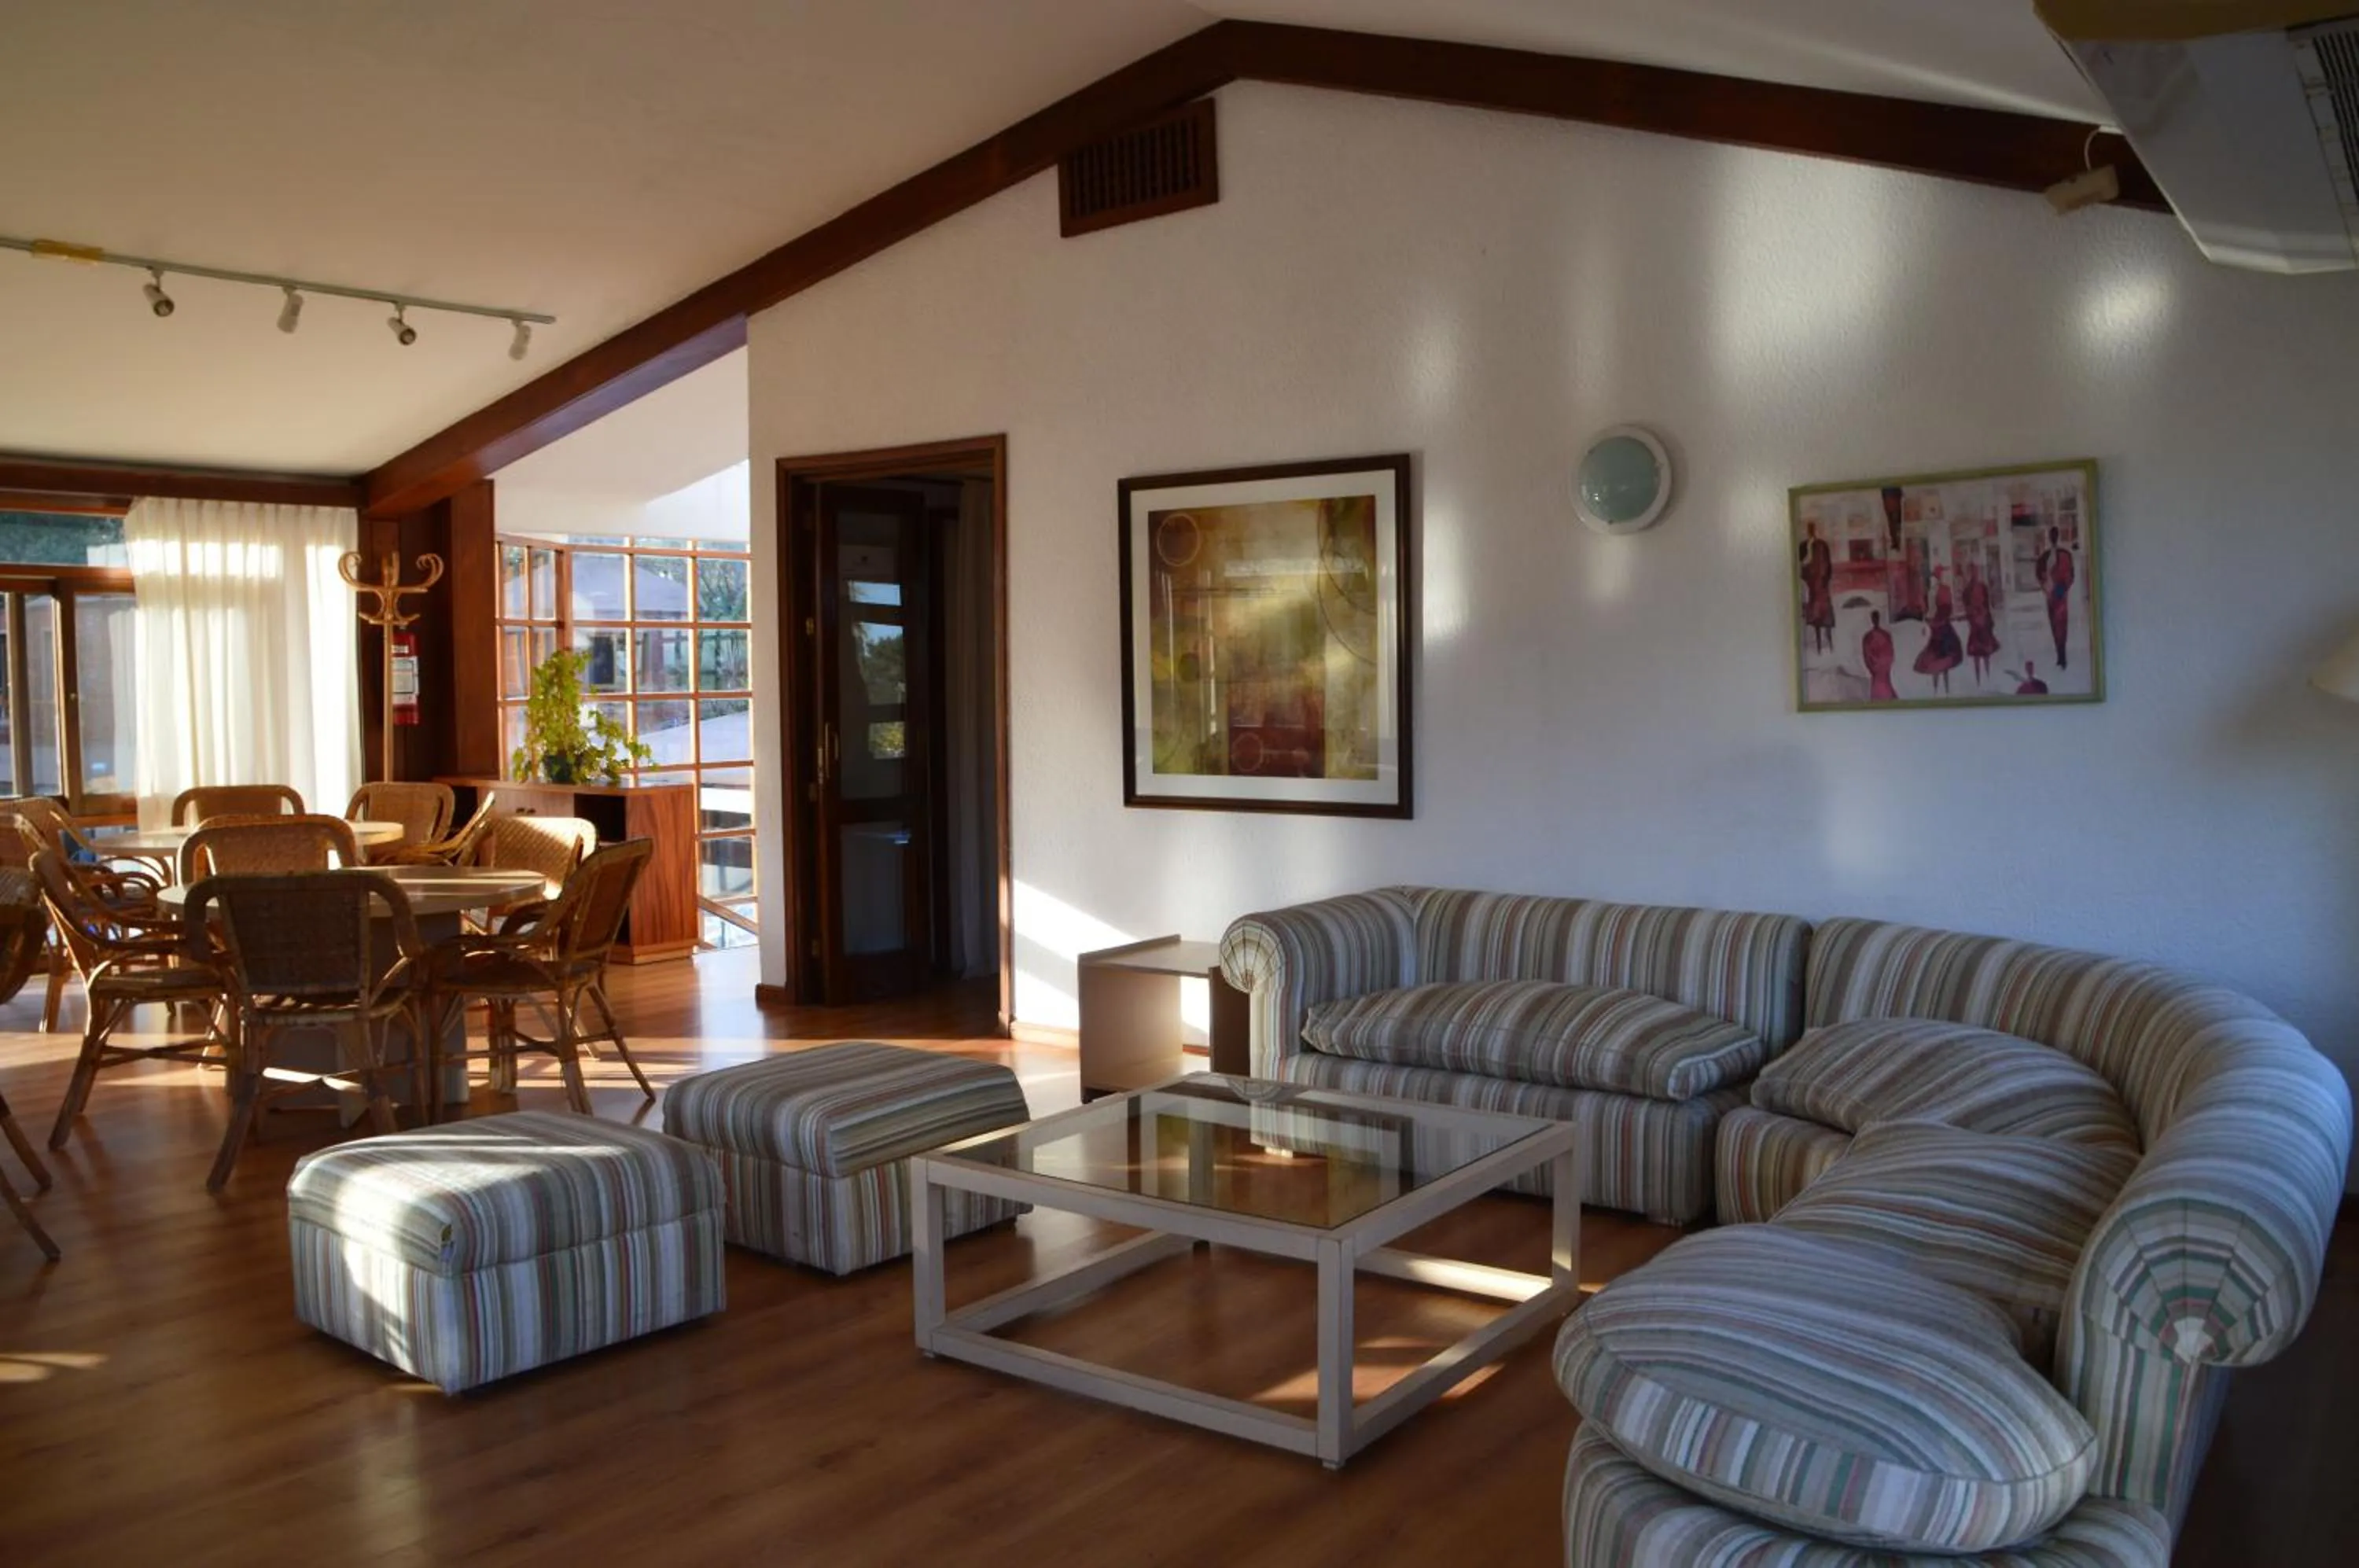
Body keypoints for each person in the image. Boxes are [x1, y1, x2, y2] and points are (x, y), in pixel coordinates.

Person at [1912, 565, 1963, 694]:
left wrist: (1929, 622)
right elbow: (1947, 609)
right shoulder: (1944, 590)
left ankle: (1937, 691)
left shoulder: (1933, 591)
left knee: (1937, 655)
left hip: (1937, 626)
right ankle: (1945, 690)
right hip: (1943, 626)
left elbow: (1930, 612)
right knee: (1945, 655)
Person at [2036, 525, 2076, 669]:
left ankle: (2063, 655)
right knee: (2054, 625)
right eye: (2051, 536)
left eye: (2054, 535)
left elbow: (2071, 575)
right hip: (2050, 596)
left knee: (2062, 625)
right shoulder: (2045, 556)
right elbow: (2039, 572)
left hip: (2060, 596)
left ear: (2057, 536)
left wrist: (2062, 589)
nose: (2053, 538)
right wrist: (2045, 587)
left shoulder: (2065, 554)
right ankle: (2059, 655)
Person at [1798, 522, 1835, 652]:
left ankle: (1830, 643)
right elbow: (1800, 566)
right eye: (1810, 529)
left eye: (1814, 529)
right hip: (1813, 586)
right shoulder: (1803, 546)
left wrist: (1825, 580)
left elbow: (1829, 566)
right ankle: (1819, 646)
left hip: (1822, 586)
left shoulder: (1823, 545)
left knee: (1826, 615)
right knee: (1816, 618)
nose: (1813, 531)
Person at [1962, 561, 1999, 686]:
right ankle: (1978, 680)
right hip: (1975, 624)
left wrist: (1988, 619)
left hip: (1984, 622)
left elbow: (1988, 605)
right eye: (1972, 571)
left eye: (1975, 571)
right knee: (1976, 654)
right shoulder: (1967, 590)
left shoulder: (1983, 587)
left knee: (1986, 652)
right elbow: (1966, 607)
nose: (1974, 574)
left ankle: (1988, 677)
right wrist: (1972, 617)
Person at [1861, 610, 1897, 701]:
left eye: (1875, 618)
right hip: (1879, 664)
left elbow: (1890, 650)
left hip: (1880, 664)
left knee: (1882, 683)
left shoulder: (1872, 636)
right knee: (1881, 683)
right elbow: (1867, 652)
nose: (1875, 620)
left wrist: (1873, 663)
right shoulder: (1872, 636)